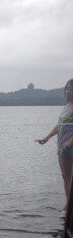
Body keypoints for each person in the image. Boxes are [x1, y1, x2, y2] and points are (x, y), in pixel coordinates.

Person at [36, 79, 73, 208]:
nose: (68, 91)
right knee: (65, 177)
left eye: (71, 89)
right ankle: (68, 205)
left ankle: (69, 207)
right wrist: (47, 138)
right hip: (61, 145)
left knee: (69, 178)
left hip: (70, 146)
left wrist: (70, 140)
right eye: (67, 89)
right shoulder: (67, 106)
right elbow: (60, 126)